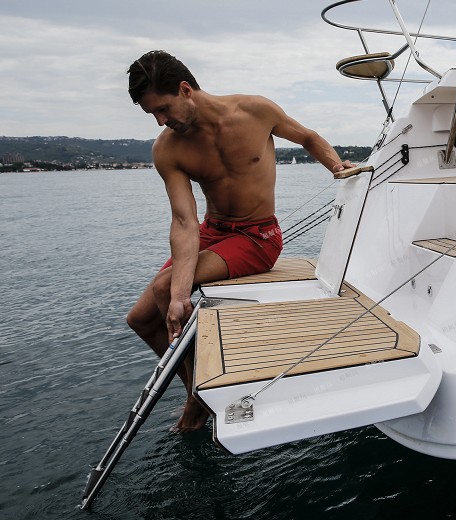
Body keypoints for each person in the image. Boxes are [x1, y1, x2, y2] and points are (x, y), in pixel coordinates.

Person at [125, 50, 354, 432]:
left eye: (163, 109)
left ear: (185, 90)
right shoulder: (168, 148)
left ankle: (197, 399)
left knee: (167, 289)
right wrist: (180, 295)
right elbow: (184, 221)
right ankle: (196, 390)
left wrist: (337, 165)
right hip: (212, 231)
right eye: (153, 114)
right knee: (140, 319)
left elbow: (308, 137)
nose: (161, 121)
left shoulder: (256, 111)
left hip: (257, 236)